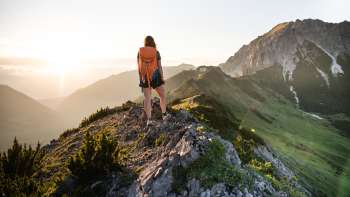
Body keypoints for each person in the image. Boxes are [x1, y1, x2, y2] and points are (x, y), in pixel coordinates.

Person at [137, 35, 169, 126]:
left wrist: (141, 79)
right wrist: (162, 78)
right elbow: (159, 67)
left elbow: (139, 67)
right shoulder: (156, 52)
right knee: (162, 95)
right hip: (155, 75)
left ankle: (149, 120)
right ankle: (164, 115)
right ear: (153, 42)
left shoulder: (140, 52)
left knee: (147, 98)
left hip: (144, 76)